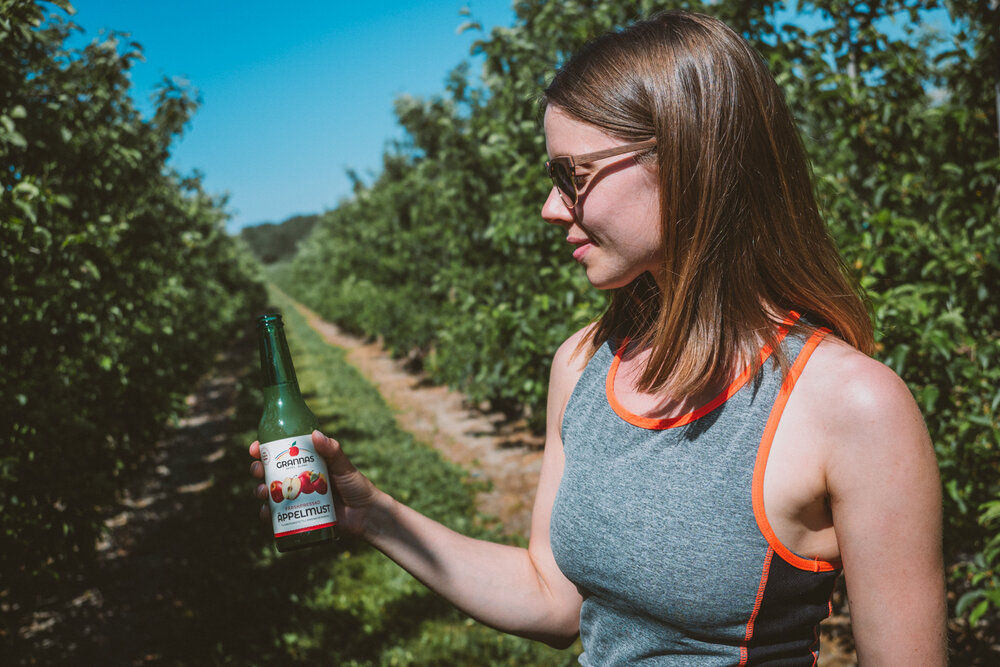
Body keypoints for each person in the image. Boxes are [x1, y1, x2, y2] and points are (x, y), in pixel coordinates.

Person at [250, 10, 947, 665]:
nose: (552, 208)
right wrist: (371, 514)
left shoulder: (849, 405)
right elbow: (553, 596)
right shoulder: (585, 363)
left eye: (572, 176)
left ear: (688, 157)